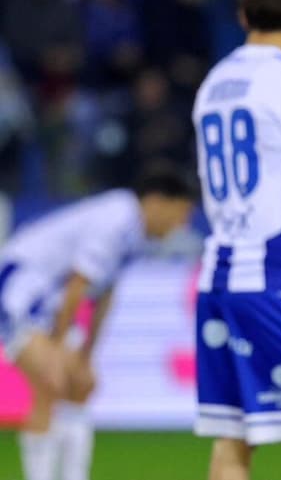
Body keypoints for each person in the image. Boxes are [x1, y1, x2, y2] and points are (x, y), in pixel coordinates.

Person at [191, 0, 281, 480]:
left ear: (243, 15)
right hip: (277, 280)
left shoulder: (212, 85)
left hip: (218, 277)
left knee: (232, 441)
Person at [0, 163, 195, 480]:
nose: (181, 224)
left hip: (50, 298)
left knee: (82, 383)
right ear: (158, 201)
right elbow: (79, 283)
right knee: (51, 380)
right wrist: (61, 349)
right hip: (20, 287)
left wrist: (85, 357)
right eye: (181, 212)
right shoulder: (118, 218)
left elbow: (105, 294)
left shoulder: (136, 234)